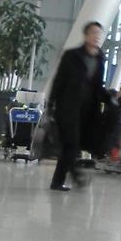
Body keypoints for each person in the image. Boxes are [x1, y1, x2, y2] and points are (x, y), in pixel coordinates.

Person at [48, 20, 110, 191]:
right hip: (67, 107)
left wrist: (109, 98)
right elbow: (59, 80)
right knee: (71, 144)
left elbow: (97, 85)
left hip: (88, 109)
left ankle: (57, 181)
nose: (96, 37)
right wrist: (51, 103)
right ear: (85, 35)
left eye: (99, 34)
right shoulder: (72, 56)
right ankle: (75, 176)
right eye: (93, 33)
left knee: (71, 146)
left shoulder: (100, 58)